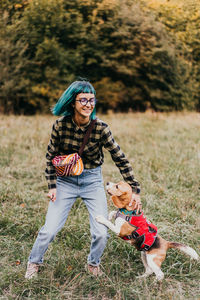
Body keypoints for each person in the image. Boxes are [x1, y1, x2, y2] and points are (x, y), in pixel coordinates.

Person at [25, 79, 141, 279]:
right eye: (83, 100)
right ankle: (34, 262)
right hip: (65, 183)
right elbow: (50, 157)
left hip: (92, 181)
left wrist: (135, 189)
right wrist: (52, 186)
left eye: (91, 100)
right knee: (49, 230)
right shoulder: (60, 126)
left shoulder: (101, 128)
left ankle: (93, 263)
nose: (88, 104)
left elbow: (119, 157)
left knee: (101, 232)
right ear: (73, 103)